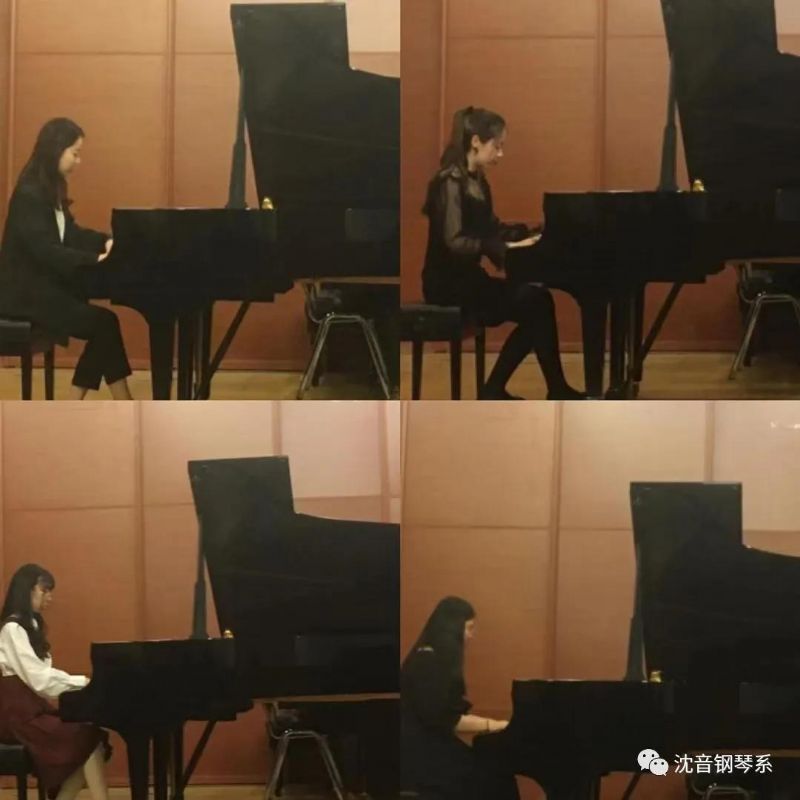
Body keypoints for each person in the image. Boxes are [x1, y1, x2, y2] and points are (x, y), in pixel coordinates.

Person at [422, 106, 583, 400]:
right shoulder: (449, 182)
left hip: (468, 279)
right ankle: (517, 388)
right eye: (496, 146)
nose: (500, 153)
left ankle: (512, 388)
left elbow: (491, 228)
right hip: (446, 284)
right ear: (475, 142)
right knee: (536, 303)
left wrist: (528, 235)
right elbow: (454, 241)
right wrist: (498, 246)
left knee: (538, 302)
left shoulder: (477, 181)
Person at [0, 118, 133, 399]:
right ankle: (92, 402)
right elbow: (46, 251)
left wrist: (107, 241)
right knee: (104, 324)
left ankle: (107, 401)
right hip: (24, 296)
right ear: (56, 149)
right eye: (75, 153)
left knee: (105, 325)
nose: (78, 161)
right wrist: (96, 260)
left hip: (42, 290)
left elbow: (70, 233)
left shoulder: (48, 189)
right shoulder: (29, 194)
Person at [0, 564, 109, 800]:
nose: (50, 597)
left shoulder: (30, 626)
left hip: (31, 710)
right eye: (44, 590)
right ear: (26, 590)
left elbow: (42, 677)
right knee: (87, 738)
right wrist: (83, 682)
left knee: (92, 738)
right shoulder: (12, 629)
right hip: (17, 717)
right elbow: (40, 680)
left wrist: (81, 684)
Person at [401, 596, 519, 800]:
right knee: (494, 777)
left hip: (426, 752)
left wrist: (495, 725)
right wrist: (496, 725)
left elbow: (447, 718)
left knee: (493, 772)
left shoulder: (429, 658)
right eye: (469, 628)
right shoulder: (427, 663)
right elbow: (447, 720)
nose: (471, 635)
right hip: (420, 759)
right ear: (452, 628)